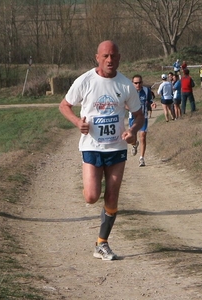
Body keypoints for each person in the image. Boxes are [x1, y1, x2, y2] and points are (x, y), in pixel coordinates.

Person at [59, 40, 144, 261]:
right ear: (97, 57)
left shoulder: (125, 84)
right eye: (105, 56)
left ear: (119, 58)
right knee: (91, 196)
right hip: (92, 147)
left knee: (113, 196)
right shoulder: (85, 81)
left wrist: (133, 130)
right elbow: (64, 105)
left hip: (116, 148)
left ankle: (102, 243)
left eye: (113, 56)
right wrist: (78, 122)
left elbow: (139, 114)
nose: (109, 60)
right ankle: (101, 233)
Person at [128, 75, 153, 167]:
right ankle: (134, 144)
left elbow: (150, 101)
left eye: (140, 82)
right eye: (136, 83)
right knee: (132, 138)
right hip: (132, 118)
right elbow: (124, 104)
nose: (138, 84)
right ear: (132, 83)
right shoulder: (129, 91)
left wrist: (152, 104)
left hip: (143, 117)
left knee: (142, 136)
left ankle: (141, 158)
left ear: (142, 82)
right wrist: (129, 108)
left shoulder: (146, 91)